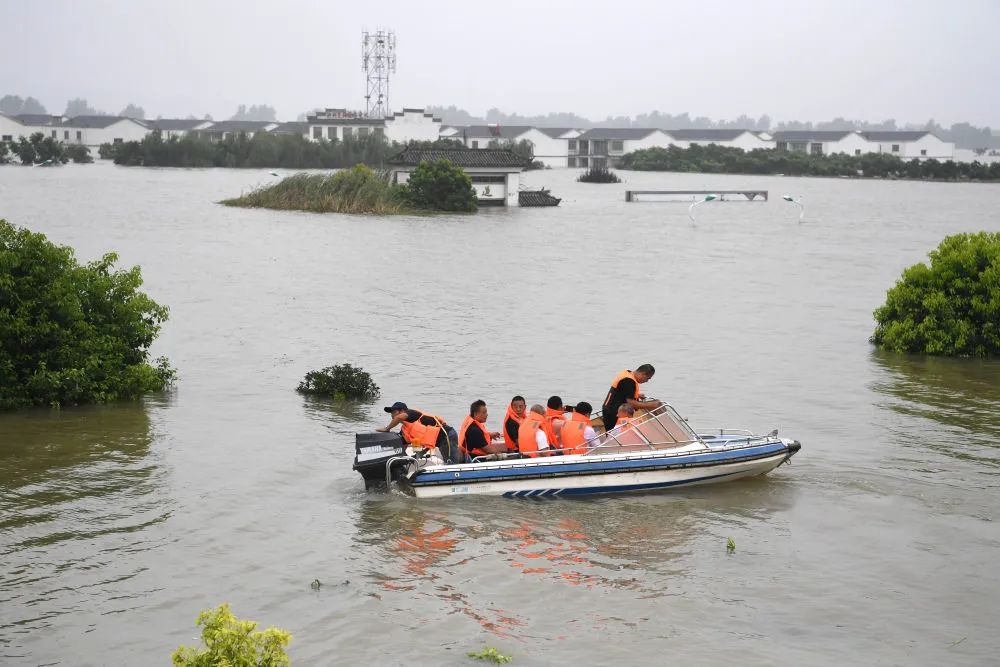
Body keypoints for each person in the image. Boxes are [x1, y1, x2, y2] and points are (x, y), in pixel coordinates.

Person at [376, 401, 463, 464]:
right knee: (450, 459)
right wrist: (398, 460)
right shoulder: (405, 430)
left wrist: (387, 429)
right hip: (440, 442)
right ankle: (463, 458)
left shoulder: (411, 413)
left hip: (447, 436)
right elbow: (402, 447)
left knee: (451, 463)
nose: (392, 415)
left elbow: (398, 418)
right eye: (391, 413)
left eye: (394, 412)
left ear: (402, 411)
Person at [601, 364, 662, 432]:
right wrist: (651, 404)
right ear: (643, 374)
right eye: (648, 378)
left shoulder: (628, 373)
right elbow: (631, 404)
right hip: (613, 412)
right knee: (614, 435)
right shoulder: (628, 381)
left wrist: (637, 395)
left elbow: (623, 391)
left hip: (611, 408)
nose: (647, 381)